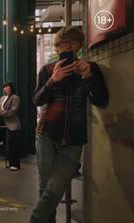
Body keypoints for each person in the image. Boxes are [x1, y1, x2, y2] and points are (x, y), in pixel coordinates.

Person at [30, 26, 108, 223]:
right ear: (57, 48)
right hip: (46, 135)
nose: (66, 46)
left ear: (79, 45)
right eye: (62, 44)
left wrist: (88, 77)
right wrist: (52, 81)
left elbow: (101, 100)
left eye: (71, 42)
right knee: (44, 188)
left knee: (53, 191)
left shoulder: (90, 68)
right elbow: (37, 100)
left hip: (74, 140)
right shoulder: (48, 70)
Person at [0, 82, 21, 171]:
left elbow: (11, 113)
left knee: (13, 145)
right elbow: (1, 111)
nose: (5, 88)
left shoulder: (15, 98)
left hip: (12, 123)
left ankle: (15, 165)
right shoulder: (2, 98)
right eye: (4, 87)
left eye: (7, 87)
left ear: (11, 88)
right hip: (2, 121)